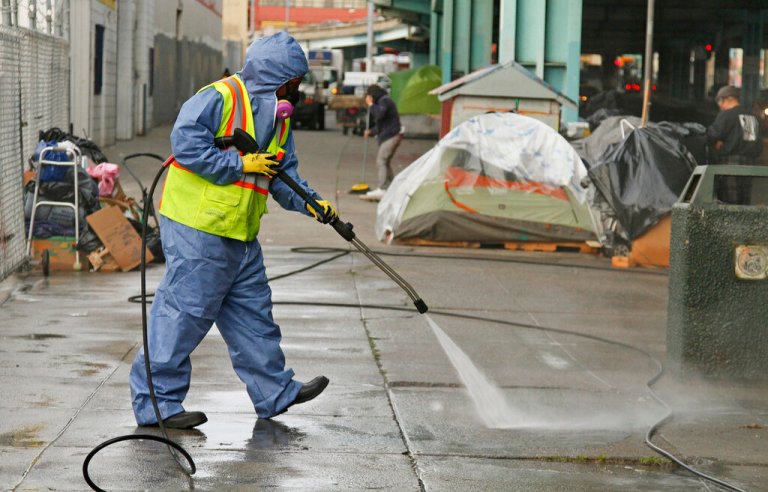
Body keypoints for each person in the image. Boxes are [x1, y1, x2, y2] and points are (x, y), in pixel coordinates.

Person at [129, 32, 335, 430]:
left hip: (239, 233)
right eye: (296, 80)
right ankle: (156, 404)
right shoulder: (220, 97)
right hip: (198, 228)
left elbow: (281, 173)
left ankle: (275, 391)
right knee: (183, 316)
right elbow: (186, 145)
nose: (300, 88)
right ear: (279, 76)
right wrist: (240, 166)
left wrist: (314, 204)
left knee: (253, 315)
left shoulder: (278, 115)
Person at [707, 85, 763, 203]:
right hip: (750, 164)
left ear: (729, 98)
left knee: (729, 201)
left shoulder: (727, 115)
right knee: (745, 200)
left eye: (720, 102)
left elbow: (712, 136)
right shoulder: (754, 117)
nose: (720, 106)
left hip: (730, 163)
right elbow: (759, 144)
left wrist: (719, 144)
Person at [360, 84, 403, 202]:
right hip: (391, 135)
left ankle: (383, 188)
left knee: (381, 161)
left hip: (391, 136)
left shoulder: (384, 101)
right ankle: (392, 188)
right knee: (386, 161)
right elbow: (381, 123)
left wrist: (371, 105)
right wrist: (371, 131)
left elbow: (379, 114)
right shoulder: (383, 101)